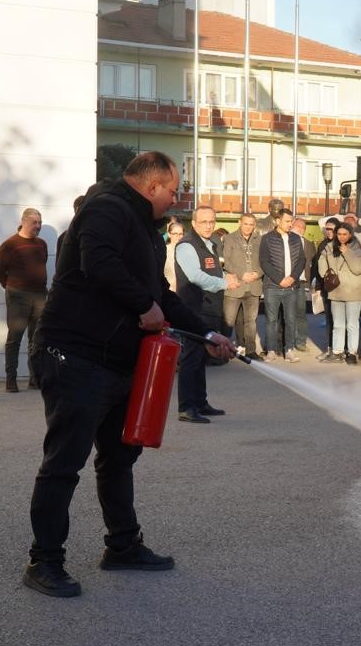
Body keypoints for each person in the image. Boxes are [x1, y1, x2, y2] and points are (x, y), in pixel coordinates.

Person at [25, 151, 235, 598]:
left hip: (116, 360)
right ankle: (44, 561)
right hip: (74, 356)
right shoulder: (107, 208)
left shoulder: (146, 229)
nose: (175, 198)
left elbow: (162, 295)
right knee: (64, 462)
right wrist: (144, 307)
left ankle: (122, 546)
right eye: (173, 190)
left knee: (119, 458)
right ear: (153, 185)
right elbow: (98, 264)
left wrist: (208, 333)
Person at [175, 206, 240, 423]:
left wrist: (226, 277)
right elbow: (194, 276)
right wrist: (224, 283)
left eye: (212, 221)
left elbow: (211, 271)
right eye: (203, 222)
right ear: (193, 223)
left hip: (209, 308)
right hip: (194, 309)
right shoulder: (186, 245)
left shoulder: (211, 243)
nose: (209, 225)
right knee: (191, 357)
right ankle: (186, 407)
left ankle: (200, 402)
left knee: (201, 357)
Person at [0, 208, 48, 392]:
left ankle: (35, 378)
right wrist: (11, 287)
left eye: (40, 223)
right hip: (18, 296)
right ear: (24, 221)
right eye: (35, 223)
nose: (38, 226)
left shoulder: (41, 244)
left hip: (40, 296)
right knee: (15, 338)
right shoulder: (10, 245)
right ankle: (11, 380)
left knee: (37, 339)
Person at [260, 208, 306, 363]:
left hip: (291, 287)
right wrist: (280, 279)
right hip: (273, 286)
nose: (290, 224)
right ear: (277, 221)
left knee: (291, 320)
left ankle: (290, 350)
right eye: (287, 221)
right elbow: (264, 262)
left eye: (291, 221)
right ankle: (271, 351)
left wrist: (293, 277)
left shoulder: (296, 238)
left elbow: (301, 260)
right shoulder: (267, 238)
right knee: (271, 320)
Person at [318, 222, 361, 364]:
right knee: (338, 324)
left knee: (352, 324)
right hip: (336, 291)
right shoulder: (329, 246)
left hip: (353, 292)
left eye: (345, 234)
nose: (341, 237)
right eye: (339, 234)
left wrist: (347, 253)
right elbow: (321, 260)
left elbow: (358, 268)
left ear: (350, 234)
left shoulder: (356, 248)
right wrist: (324, 273)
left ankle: (352, 353)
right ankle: (337, 352)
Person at [222, 213, 264, 360]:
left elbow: (265, 261)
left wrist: (257, 274)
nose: (248, 227)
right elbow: (226, 261)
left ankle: (251, 350)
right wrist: (242, 274)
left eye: (251, 224)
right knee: (228, 321)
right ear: (240, 222)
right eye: (246, 224)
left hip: (254, 286)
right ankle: (222, 352)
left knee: (251, 322)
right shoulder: (229, 238)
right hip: (235, 286)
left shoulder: (260, 240)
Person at [313, 216, 341, 359]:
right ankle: (330, 347)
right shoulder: (323, 245)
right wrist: (317, 287)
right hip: (326, 288)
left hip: (341, 288)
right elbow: (317, 267)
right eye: (327, 229)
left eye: (331, 229)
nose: (328, 231)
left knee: (341, 320)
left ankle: (342, 349)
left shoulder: (342, 244)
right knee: (330, 319)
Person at [290, 217, 315, 352]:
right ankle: (286, 341)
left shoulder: (309, 244)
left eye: (302, 227)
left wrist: (311, 282)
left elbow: (313, 264)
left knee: (300, 313)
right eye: (297, 226)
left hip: (302, 283)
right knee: (286, 313)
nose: (300, 229)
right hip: (287, 282)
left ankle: (300, 342)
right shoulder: (285, 241)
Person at [164, 220, 184, 291]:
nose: (178, 236)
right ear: (169, 234)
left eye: (181, 234)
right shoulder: (164, 251)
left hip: (185, 293)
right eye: (175, 233)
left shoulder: (187, 251)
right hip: (168, 292)